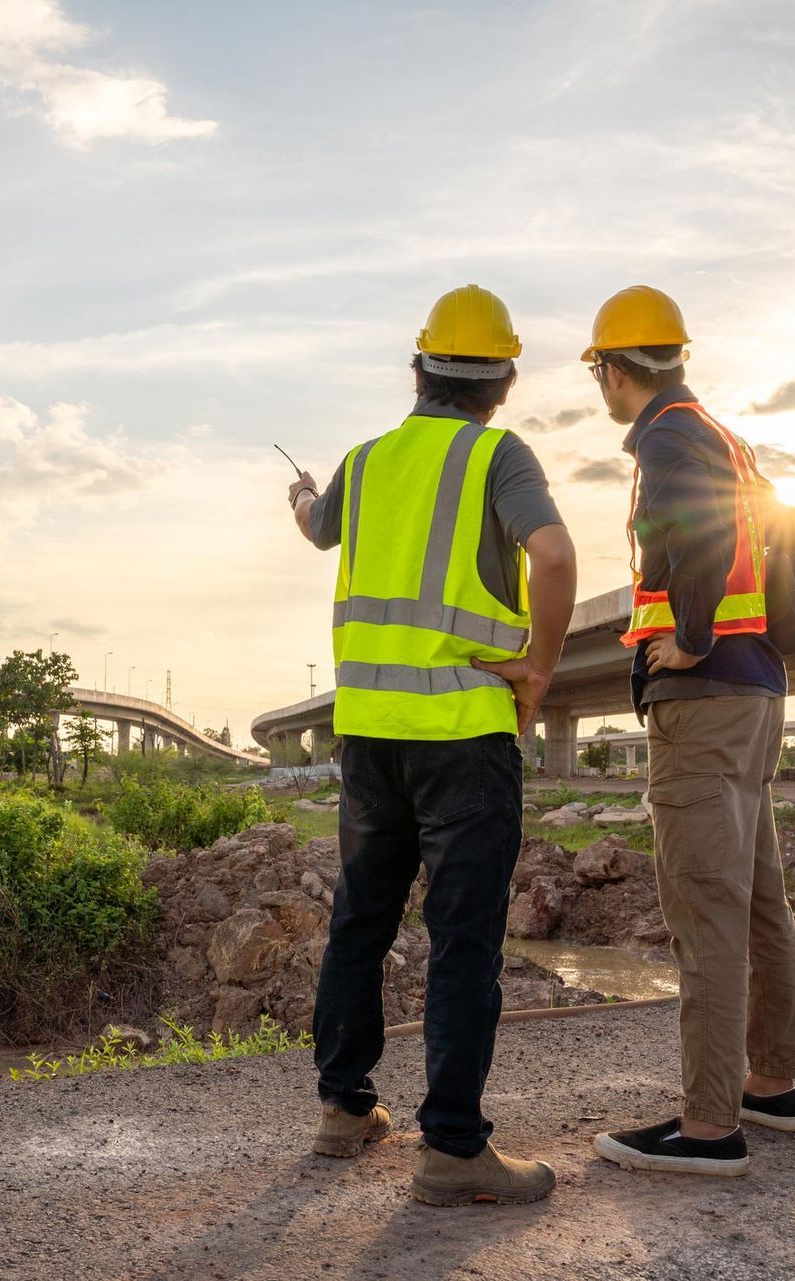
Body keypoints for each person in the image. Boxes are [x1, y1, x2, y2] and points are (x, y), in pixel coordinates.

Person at [287, 284, 578, 1206]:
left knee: (360, 923)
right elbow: (558, 555)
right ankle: (452, 1150)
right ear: (503, 383)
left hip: (370, 736)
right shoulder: (500, 455)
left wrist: (302, 496)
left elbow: (316, 525)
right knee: (461, 942)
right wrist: (537, 668)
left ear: (417, 369)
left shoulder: (365, 462)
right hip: (463, 734)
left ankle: (344, 1109)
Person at [579, 286, 795, 1178]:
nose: (600, 386)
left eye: (599, 369)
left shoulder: (670, 436)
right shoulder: (727, 438)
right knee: (758, 898)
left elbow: (706, 535)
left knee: (706, 908)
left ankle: (711, 1127)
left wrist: (690, 632)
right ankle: (770, 1084)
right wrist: (725, 624)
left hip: (708, 701)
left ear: (615, 369)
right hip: (755, 693)